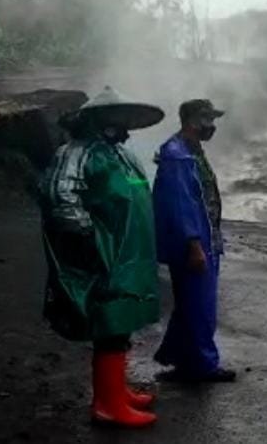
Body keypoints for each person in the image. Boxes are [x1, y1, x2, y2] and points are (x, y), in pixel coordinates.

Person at [39, 86, 165, 428]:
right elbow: (59, 195)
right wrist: (87, 242)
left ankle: (117, 391)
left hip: (129, 254)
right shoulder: (75, 152)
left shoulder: (119, 153)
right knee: (108, 325)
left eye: (125, 118)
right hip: (105, 255)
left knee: (121, 323)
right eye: (115, 116)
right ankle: (107, 405)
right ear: (95, 118)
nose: (122, 124)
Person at [152, 99, 236, 382]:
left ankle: (180, 359)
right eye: (207, 120)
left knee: (190, 304)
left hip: (205, 238)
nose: (212, 126)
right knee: (201, 306)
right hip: (194, 244)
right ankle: (204, 366)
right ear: (191, 121)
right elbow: (181, 205)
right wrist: (194, 244)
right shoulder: (178, 155)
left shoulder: (191, 150)